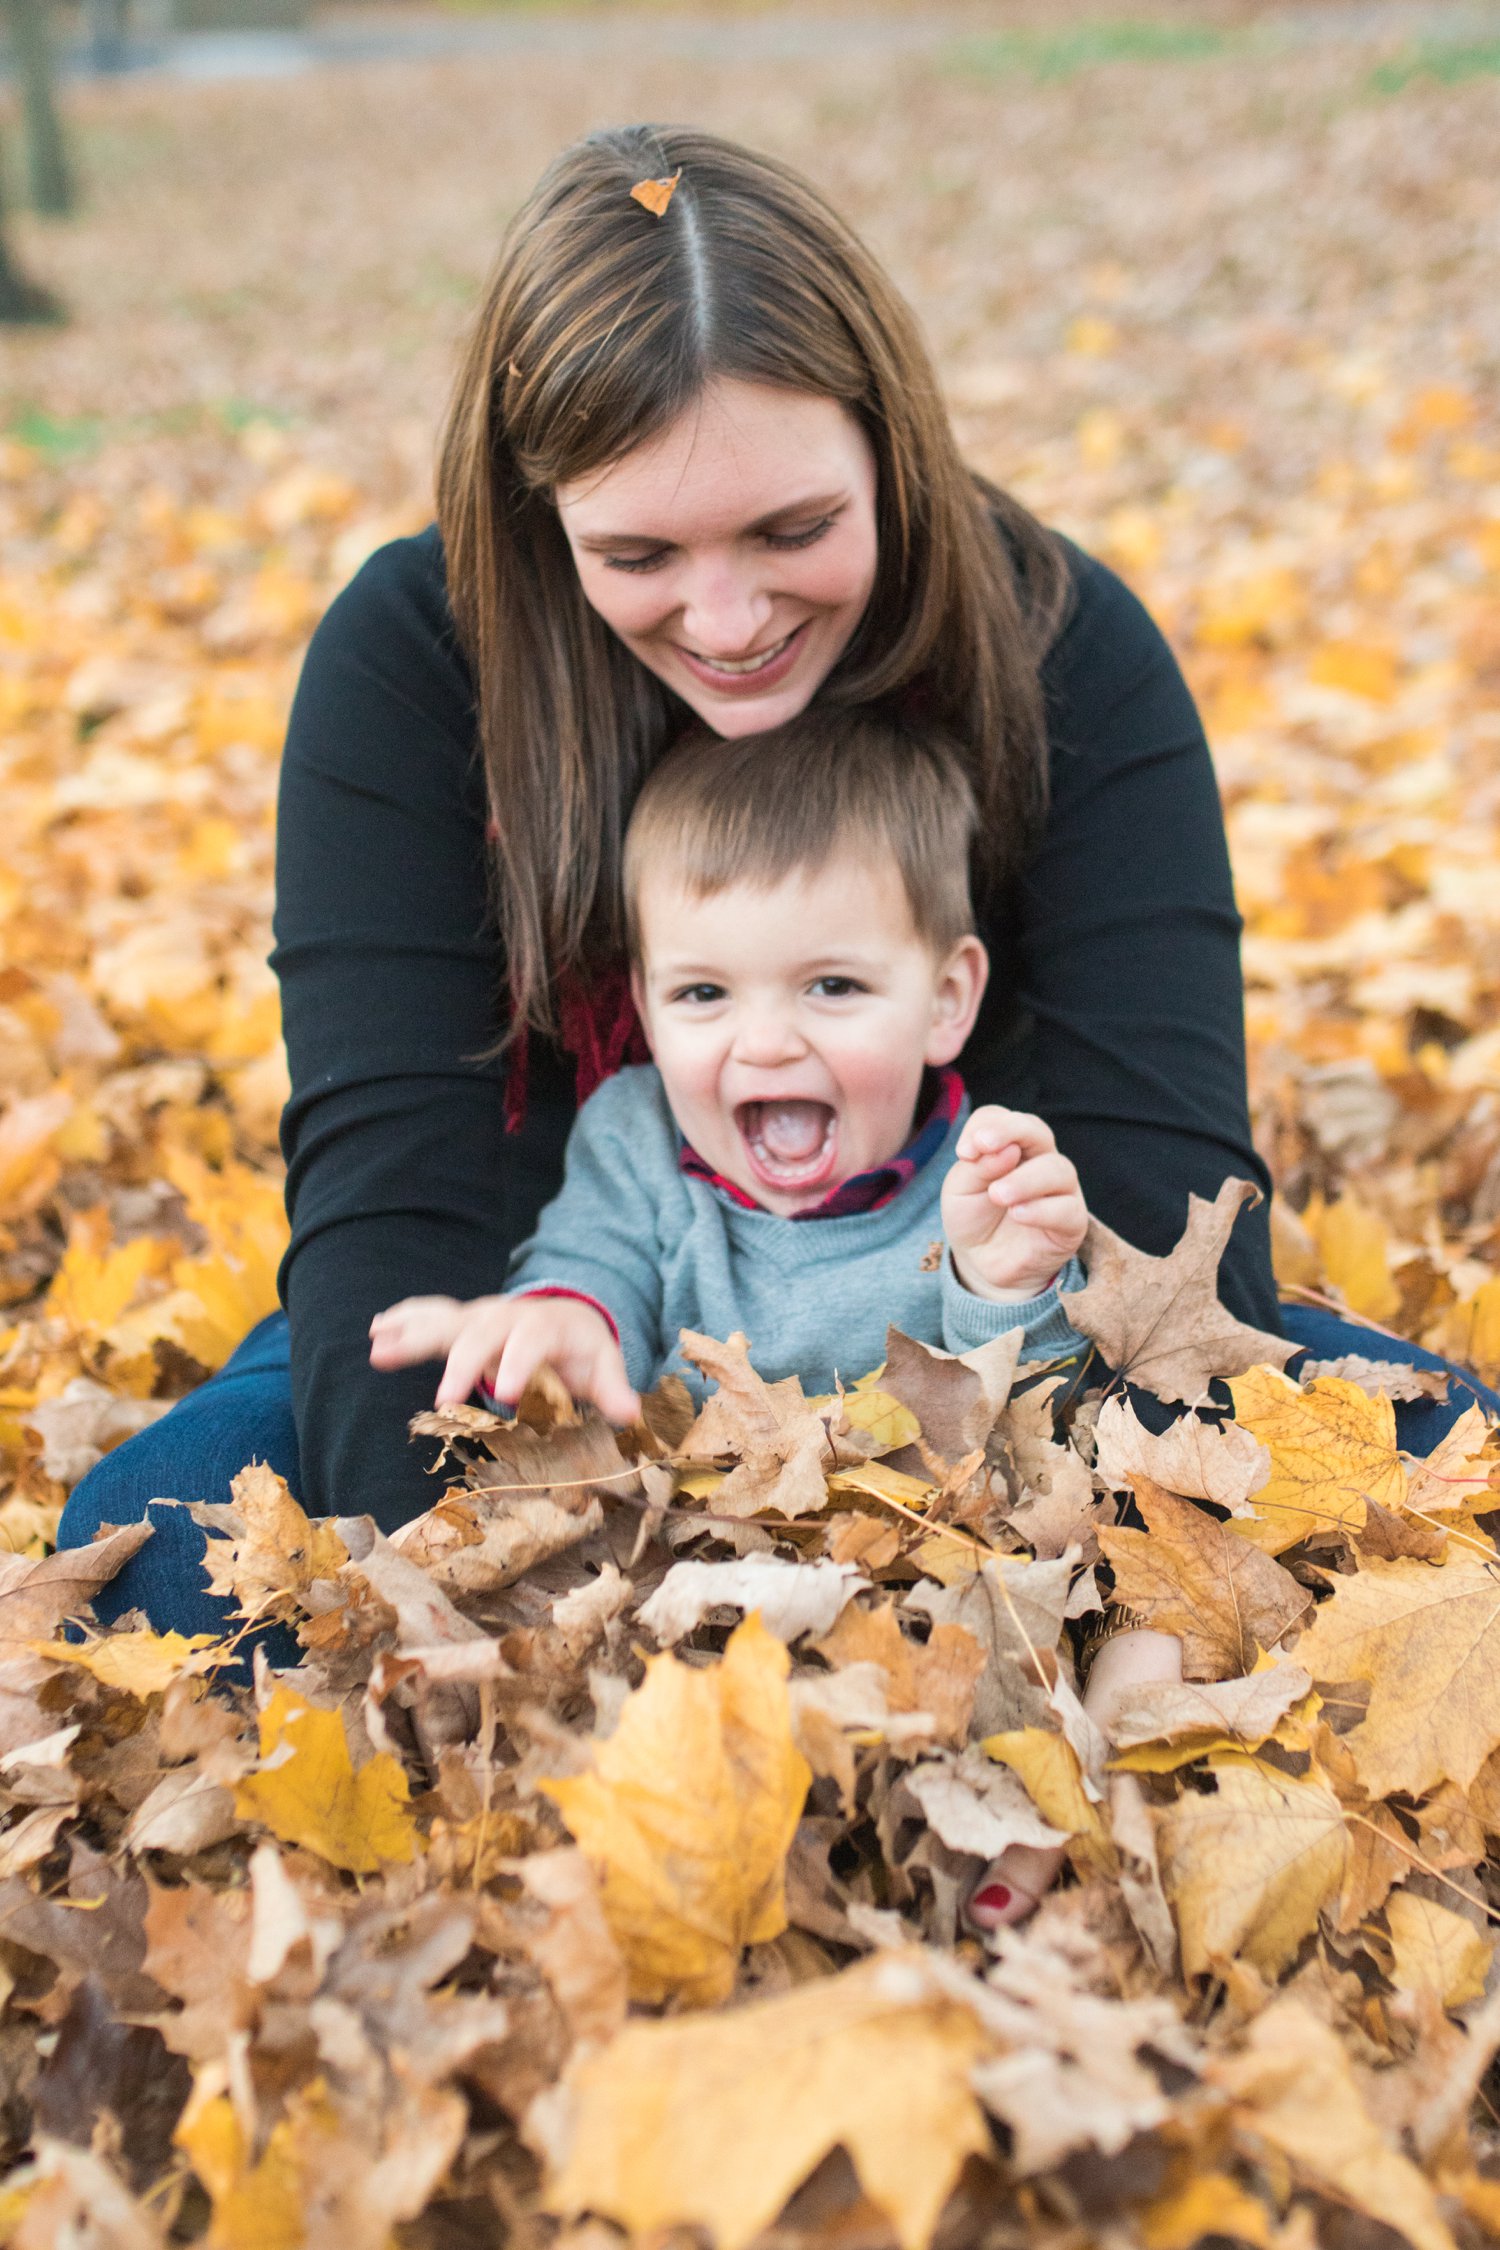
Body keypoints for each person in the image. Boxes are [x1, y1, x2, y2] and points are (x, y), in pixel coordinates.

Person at [57, 121, 1493, 1710]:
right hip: (571, 1373)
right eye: (638, 552)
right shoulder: (413, 666)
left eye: (792, 531)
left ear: (892, 449)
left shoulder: (1061, 648)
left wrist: (964, 1568)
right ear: (542, 518)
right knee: (154, 1538)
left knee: (1455, 1464)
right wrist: (477, 1613)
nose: (727, 621)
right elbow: (389, 1220)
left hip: (999, 1359)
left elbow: (1170, 1229)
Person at [367, 710, 1091, 1415]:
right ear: (647, 1013)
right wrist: (565, 1327)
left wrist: (1003, 1293)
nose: (766, 1044)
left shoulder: (984, 1190)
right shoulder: (635, 1137)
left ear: (945, 1000)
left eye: (832, 986)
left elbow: (1041, 1438)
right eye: (704, 992)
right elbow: (593, 1261)